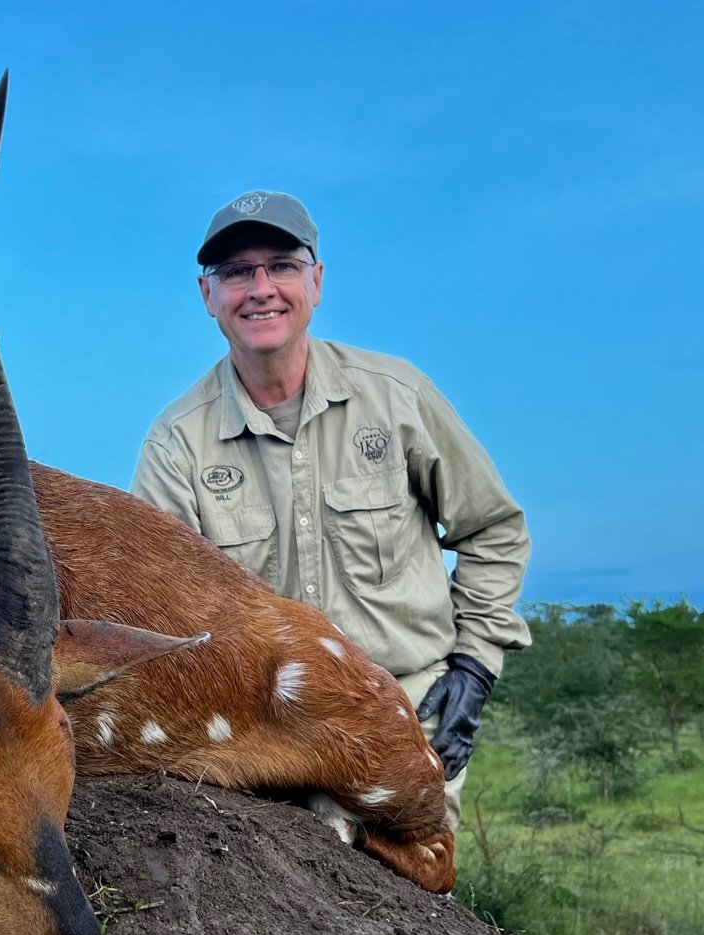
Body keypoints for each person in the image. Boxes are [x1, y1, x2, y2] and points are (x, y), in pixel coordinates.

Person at [132, 190, 530, 829]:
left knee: (407, 903)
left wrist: (475, 666)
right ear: (208, 296)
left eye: (281, 266)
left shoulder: (397, 398)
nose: (260, 288)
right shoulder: (177, 442)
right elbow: (157, 609)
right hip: (266, 731)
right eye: (236, 273)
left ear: (315, 282)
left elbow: (495, 530)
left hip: (406, 705)